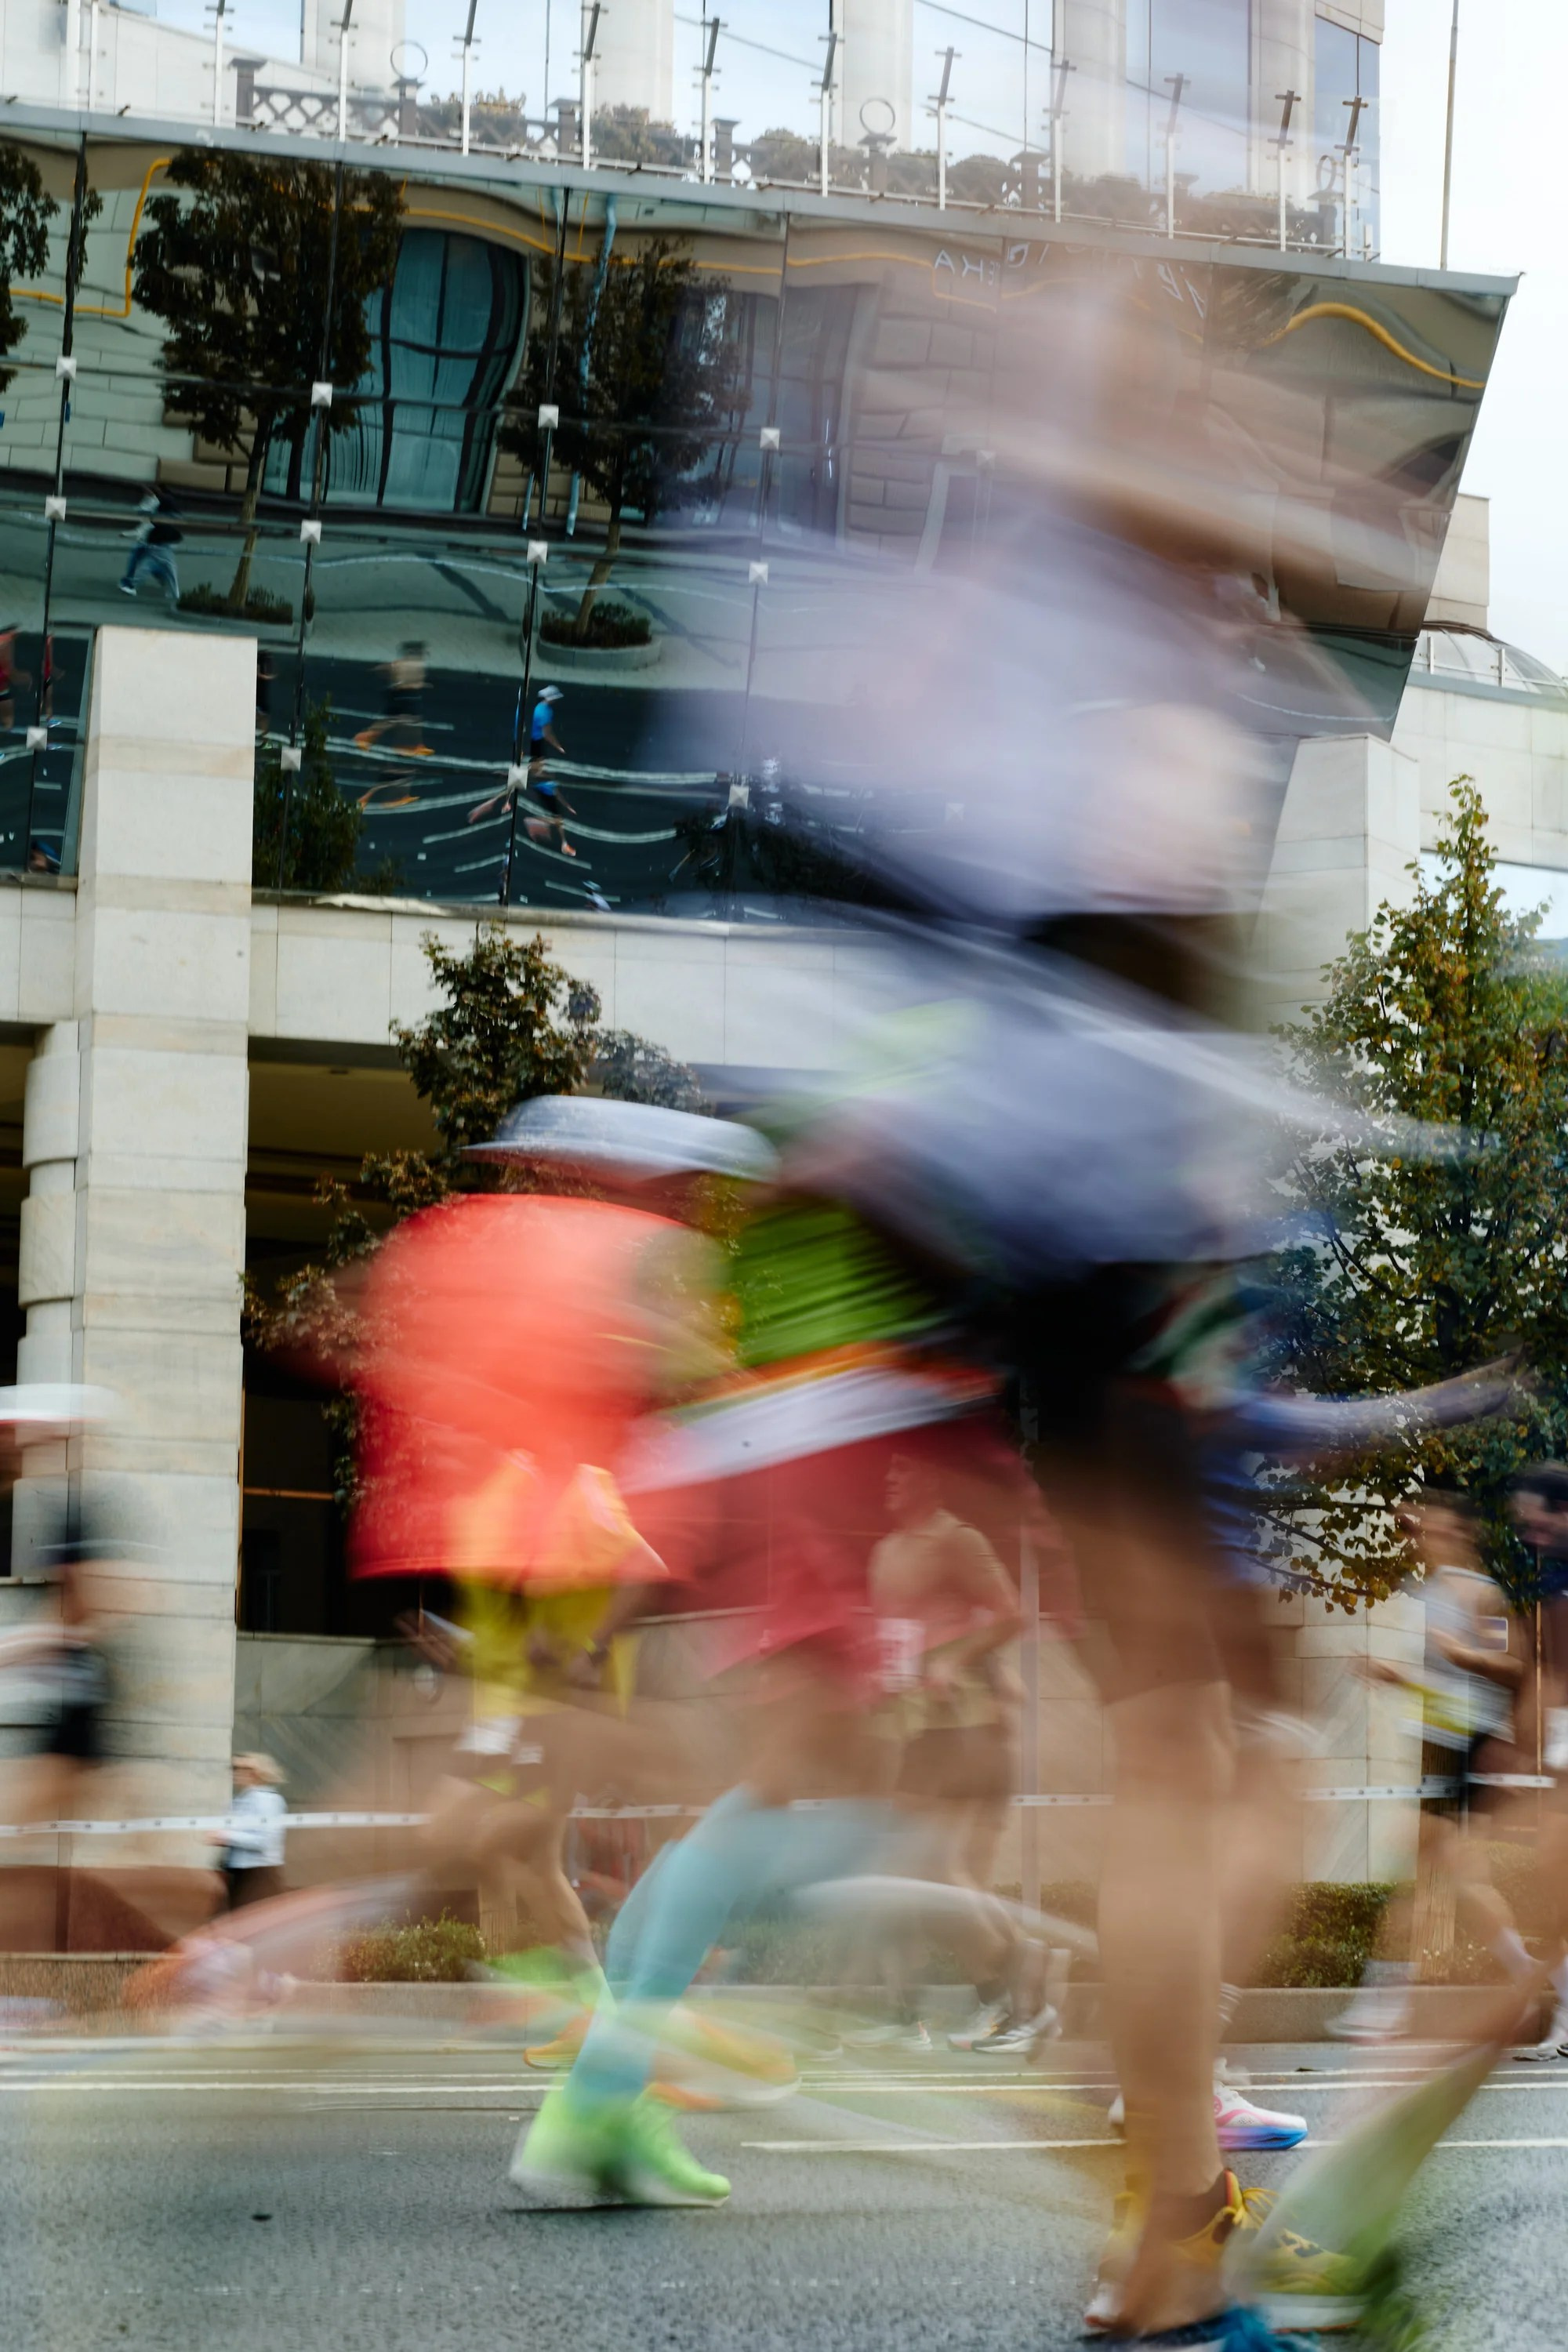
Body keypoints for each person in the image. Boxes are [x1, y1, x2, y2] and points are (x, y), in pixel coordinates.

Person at [217, 1753, 288, 1911]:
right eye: (234, 1768)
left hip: (259, 1875)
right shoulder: (241, 1800)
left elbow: (266, 1841)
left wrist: (226, 1837)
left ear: (256, 1773)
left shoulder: (267, 1800)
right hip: (239, 1873)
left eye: (243, 1768)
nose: (236, 1772)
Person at [354, 641, 431, 753]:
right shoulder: (409, 663)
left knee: (399, 720)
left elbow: (391, 671)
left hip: (406, 694)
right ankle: (411, 745)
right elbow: (396, 674)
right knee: (407, 720)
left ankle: (367, 737)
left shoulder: (409, 663)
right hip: (405, 694)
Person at [118, 487, 183, 608]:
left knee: (146, 565)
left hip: (157, 547)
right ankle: (132, 584)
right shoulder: (161, 512)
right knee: (157, 568)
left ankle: (131, 584)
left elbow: (144, 519)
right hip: (157, 547)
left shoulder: (160, 507)